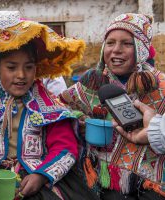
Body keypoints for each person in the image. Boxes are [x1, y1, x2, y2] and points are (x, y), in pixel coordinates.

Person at [0, 11, 92, 199]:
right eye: (11, 67)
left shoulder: (50, 105)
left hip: (36, 179)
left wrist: (41, 175)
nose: (21, 75)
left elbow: (65, 149)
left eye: (29, 67)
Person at [60, 13, 165, 199]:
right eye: (110, 43)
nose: (116, 50)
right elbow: (61, 105)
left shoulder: (160, 85)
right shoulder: (92, 81)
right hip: (100, 176)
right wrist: (81, 121)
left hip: (150, 184)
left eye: (127, 43)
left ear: (141, 49)